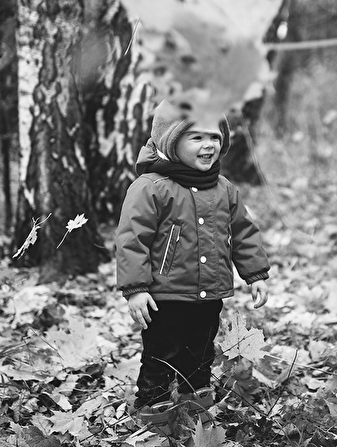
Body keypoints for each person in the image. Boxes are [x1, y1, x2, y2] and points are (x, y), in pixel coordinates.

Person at [116, 99, 271, 431]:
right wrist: (136, 289)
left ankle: (195, 402)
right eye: (196, 137)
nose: (208, 145)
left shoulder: (224, 189)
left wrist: (255, 274)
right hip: (164, 296)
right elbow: (132, 239)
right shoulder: (151, 187)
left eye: (214, 137)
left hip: (209, 292)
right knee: (161, 353)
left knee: (200, 351)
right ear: (171, 141)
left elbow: (243, 232)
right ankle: (154, 408)